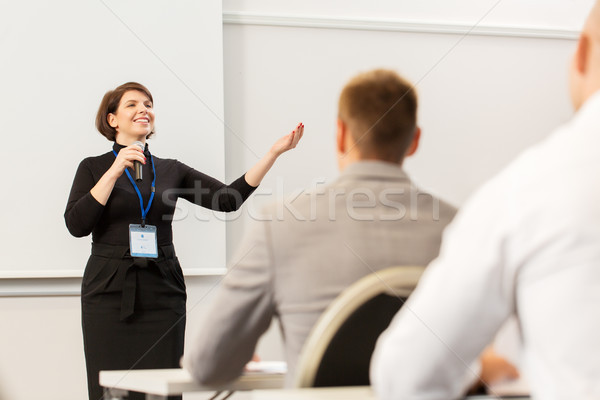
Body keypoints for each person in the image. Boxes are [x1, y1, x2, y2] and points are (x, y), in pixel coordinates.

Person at [370, 2, 600, 399]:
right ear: (415, 138)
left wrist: (477, 371)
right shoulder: (451, 215)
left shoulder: (527, 190)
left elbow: (404, 376)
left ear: (580, 54)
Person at [182, 69, 458, 386]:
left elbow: (207, 366)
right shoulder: (458, 227)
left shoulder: (279, 223)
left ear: (340, 134)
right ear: (414, 140)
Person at [64, 82, 303, 400]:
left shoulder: (170, 170)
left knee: (164, 390)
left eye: (148, 104)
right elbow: (76, 225)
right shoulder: (93, 167)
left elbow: (227, 200)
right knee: (110, 390)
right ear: (112, 120)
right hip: (108, 290)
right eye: (132, 104)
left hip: (162, 289)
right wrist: (114, 170)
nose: (143, 109)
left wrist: (273, 153)